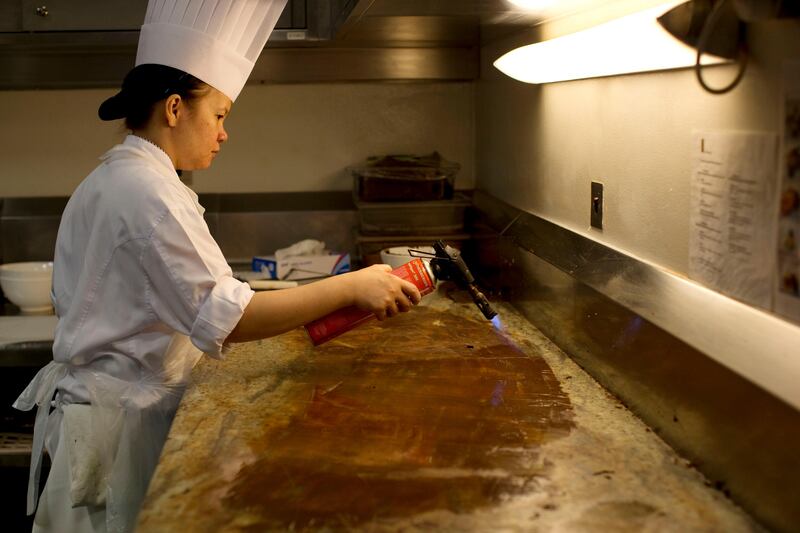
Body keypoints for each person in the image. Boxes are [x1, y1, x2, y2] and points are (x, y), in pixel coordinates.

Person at [12, 2, 421, 532]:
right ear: (176, 108)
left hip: (103, 422)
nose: (224, 132)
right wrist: (351, 286)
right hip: (122, 435)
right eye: (221, 114)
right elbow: (229, 317)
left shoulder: (115, 177)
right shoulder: (148, 192)